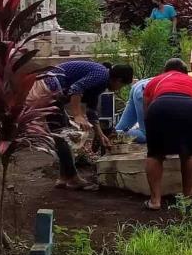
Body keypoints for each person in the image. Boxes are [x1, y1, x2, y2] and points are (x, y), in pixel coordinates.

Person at [42, 60, 135, 189]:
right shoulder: (102, 74)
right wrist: (77, 115)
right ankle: (72, 178)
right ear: (118, 80)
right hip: (50, 88)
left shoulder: (101, 82)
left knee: (61, 135)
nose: (120, 89)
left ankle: (64, 177)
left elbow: (92, 111)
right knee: (62, 135)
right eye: (122, 85)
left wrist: (100, 134)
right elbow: (76, 88)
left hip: (54, 92)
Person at [142, 62, 192, 210]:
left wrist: (152, 132)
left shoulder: (155, 80)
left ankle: (155, 201)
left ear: (165, 70)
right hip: (191, 108)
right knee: (189, 155)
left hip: (160, 107)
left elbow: (146, 110)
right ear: (184, 72)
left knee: (154, 155)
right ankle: (186, 198)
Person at [117, 60, 192, 144]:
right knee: (148, 135)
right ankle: (123, 134)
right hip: (146, 91)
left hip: (141, 86)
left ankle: (112, 134)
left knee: (119, 128)